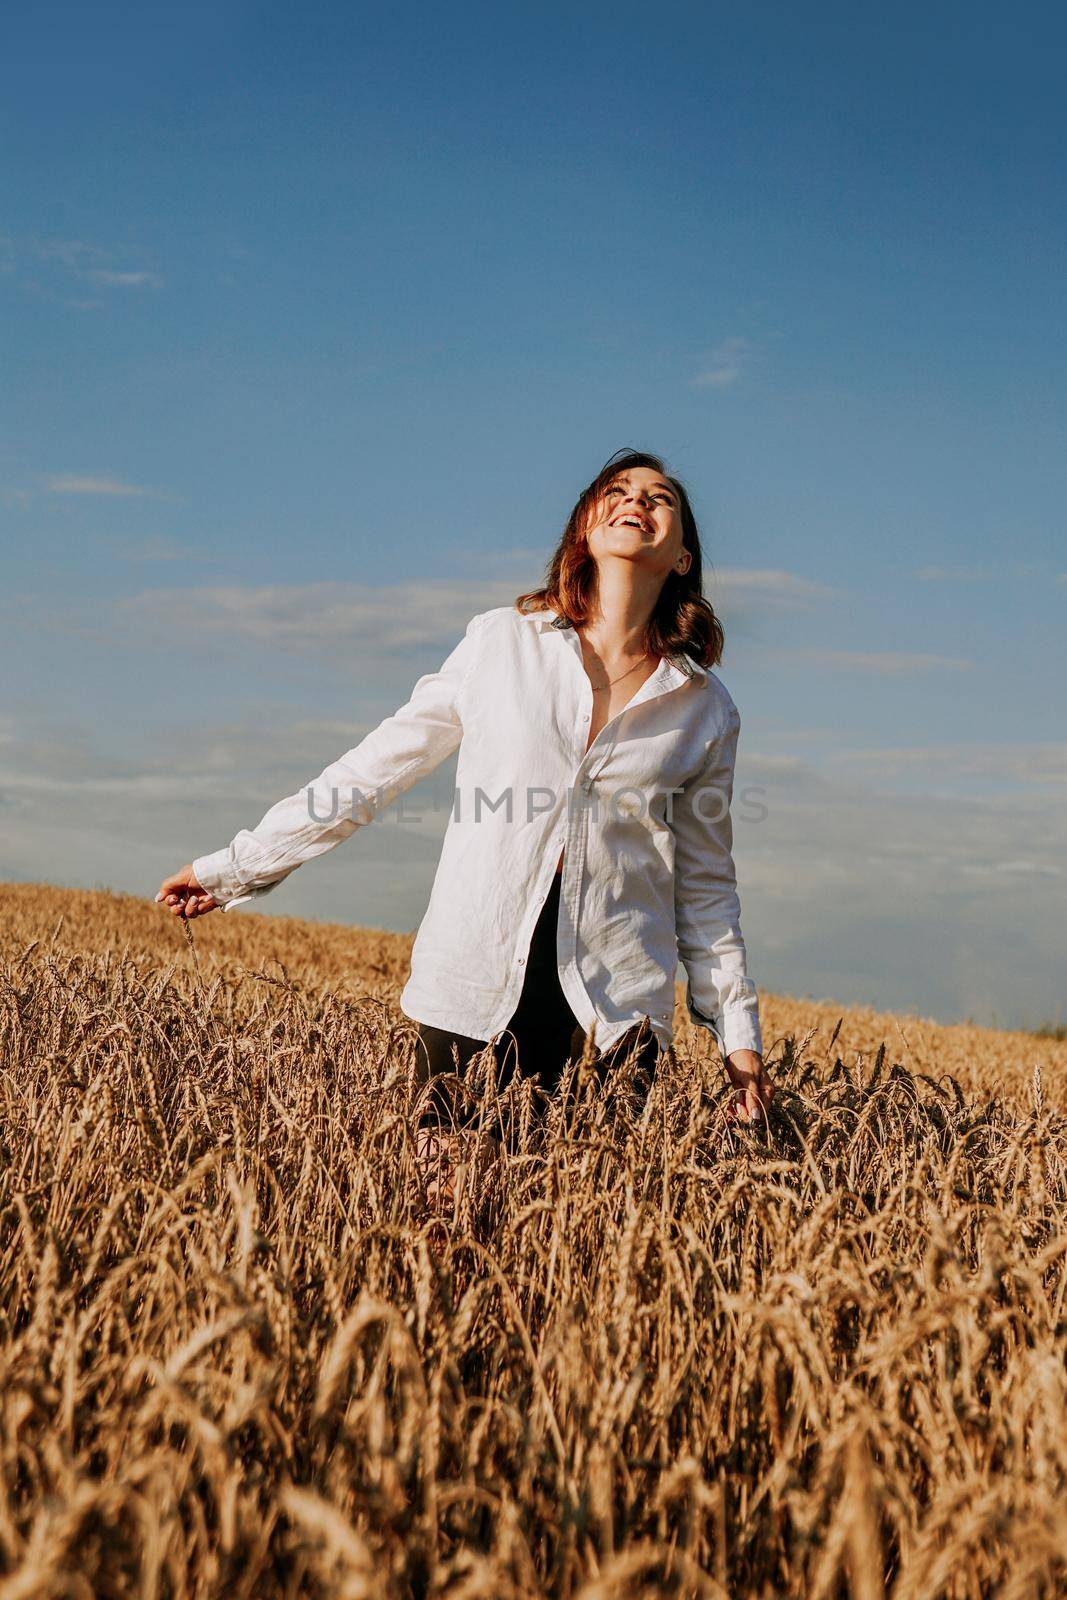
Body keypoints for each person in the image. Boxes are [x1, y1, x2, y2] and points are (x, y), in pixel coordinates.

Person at [156, 448, 773, 1197]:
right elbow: (373, 771)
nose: (634, 500)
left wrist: (736, 1040)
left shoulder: (705, 709)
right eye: (615, 490)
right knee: (441, 1217)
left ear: (681, 557)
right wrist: (236, 866)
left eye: (659, 497)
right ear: (585, 525)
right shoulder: (499, 644)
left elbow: (706, 890)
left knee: (579, 1242)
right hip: (479, 972)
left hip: (615, 1011)